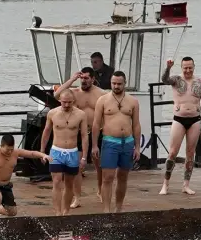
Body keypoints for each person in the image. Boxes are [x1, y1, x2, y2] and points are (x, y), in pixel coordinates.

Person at [160, 56, 201, 196]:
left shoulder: (200, 82)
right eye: (185, 68)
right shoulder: (176, 80)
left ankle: (186, 184)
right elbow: (164, 80)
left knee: (190, 153)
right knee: (172, 152)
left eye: (190, 67)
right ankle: (165, 184)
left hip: (195, 120)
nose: (188, 70)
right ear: (181, 68)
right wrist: (168, 68)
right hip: (179, 119)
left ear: (194, 67)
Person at [93, 71, 143, 214]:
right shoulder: (102, 100)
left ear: (124, 83)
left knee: (123, 177)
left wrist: (137, 147)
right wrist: (95, 145)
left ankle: (118, 208)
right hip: (109, 141)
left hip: (127, 142)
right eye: (113, 83)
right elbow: (96, 124)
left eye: (119, 84)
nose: (116, 86)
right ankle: (106, 210)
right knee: (107, 177)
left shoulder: (133, 101)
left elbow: (136, 125)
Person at [55, 67, 105, 206]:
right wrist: (72, 79)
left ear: (93, 79)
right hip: (77, 133)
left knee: (99, 165)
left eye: (86, 78)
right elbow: (57, 95)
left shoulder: (101, 94)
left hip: (96, 132)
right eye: (82, 78)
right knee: (76, 167)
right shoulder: (74, 93)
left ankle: (100, 190)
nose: (83, 81)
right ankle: (77, 197)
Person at [43, 86, 91, 217]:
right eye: (64, 102)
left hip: (72, 152)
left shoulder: (81, 114)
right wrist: (42, 152)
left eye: (69, 102)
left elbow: (84, 136)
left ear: (73, 101)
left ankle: (66, 211)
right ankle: (58, 212)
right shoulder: (52, 113)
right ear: (60, 100)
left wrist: (84, 157)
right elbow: (46, 132)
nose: (67, 104)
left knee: (69, 184)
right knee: (57, 181)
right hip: (56, 151)